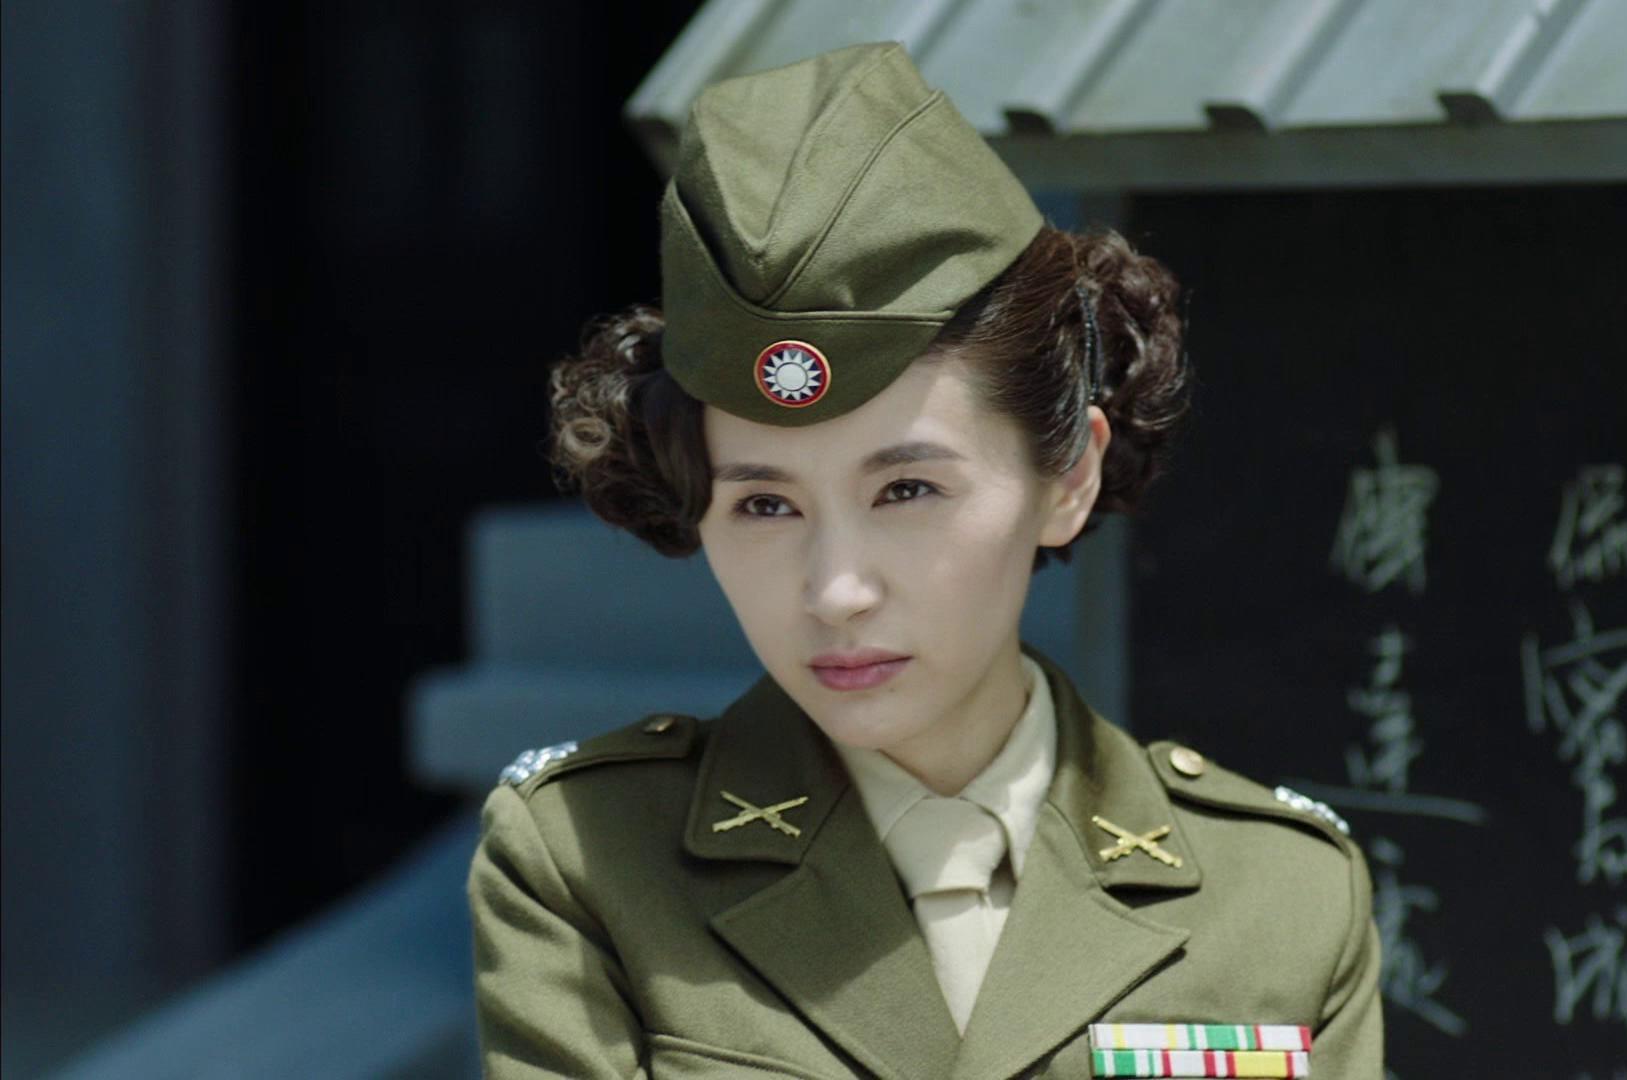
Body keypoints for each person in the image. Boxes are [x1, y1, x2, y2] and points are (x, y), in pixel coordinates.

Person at [468, 39, 1383, 1080]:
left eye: (907, 491)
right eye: (763, 503)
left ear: (1068, 476)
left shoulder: (1279, 899)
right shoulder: (589, 862)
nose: (836, 592)